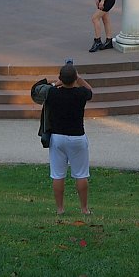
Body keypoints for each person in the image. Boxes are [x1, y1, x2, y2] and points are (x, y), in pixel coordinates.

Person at [46, 61, 94, 216]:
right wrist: (79, 78)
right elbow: (90, 91)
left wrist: (57, 82)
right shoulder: (80, 94)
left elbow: (49, 90)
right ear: (75, 78)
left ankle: (60, 209)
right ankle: (84, 208)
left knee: (58, 175)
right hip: (78, 137)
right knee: (81, 174)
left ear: (60, 78)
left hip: (57, 137)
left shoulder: (53, 94)